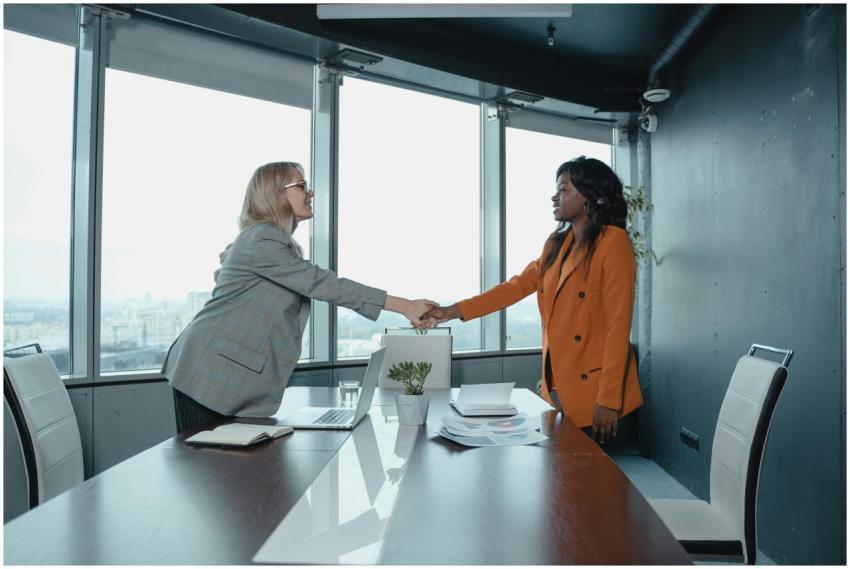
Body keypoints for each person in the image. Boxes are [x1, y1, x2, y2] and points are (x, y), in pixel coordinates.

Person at [163, 161, 435, 432]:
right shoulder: (262, 239)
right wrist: (404, 305)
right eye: (302, 185)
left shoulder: (270, 242)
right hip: (208, 375)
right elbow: (324, 283)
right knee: (208, 467)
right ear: (276, 193)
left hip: (224, 376)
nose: (311, 193)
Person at [423, 156, 643, 445]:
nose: (555, 196)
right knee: (562, 482)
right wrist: (451, 311)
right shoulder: (556, 243)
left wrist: (609, 400)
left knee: (593, 486)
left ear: (591, 196)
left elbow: (618, 327)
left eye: (564, 189)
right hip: (559, 388)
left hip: (599, 393)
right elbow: (514, 288)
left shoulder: (613, 242)